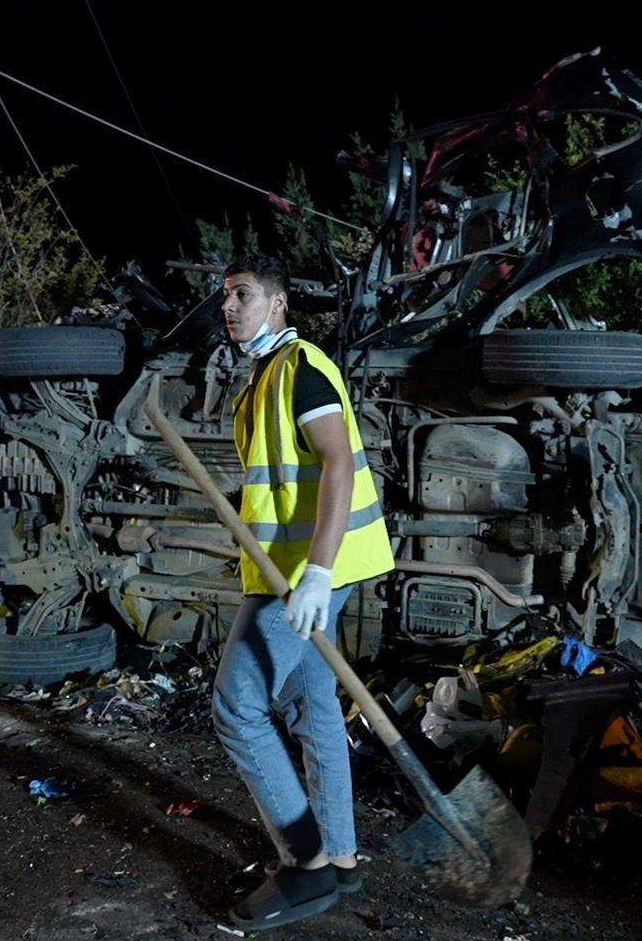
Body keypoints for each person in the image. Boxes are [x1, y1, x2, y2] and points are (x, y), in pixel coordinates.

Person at [211, 256, 394, 931]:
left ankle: (306, 866)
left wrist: (317, 572)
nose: (229, 307)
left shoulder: (301, 368)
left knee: (236, 706)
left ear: (279, 302)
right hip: (293, 570)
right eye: (225, 297)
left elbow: (339, 460)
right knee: (315, 709)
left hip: (309, 572)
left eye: (242, 295)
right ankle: (340, 859)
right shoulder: (263, 375)